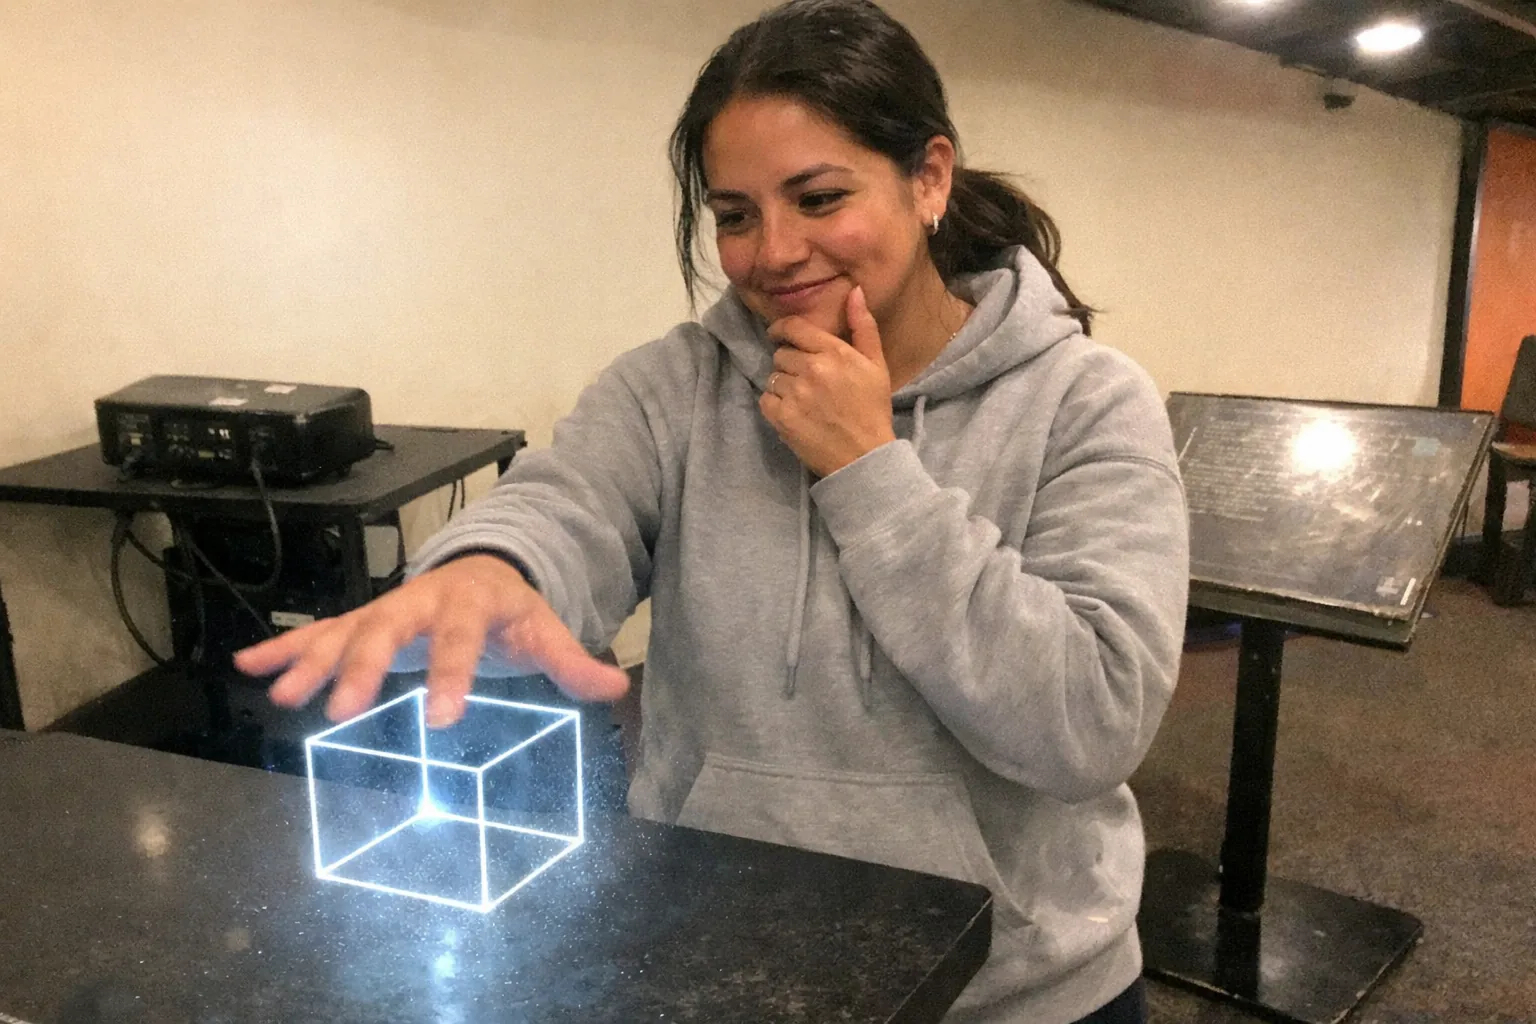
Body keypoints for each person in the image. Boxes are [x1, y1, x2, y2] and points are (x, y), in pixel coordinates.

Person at [235, 1, 1189, 1021]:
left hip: (1011, 991)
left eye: (819, 198)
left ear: (930, 179)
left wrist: (871, 469)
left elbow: (1092, 723)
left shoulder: (1085, 401)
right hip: (721, 957)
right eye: (735, 215)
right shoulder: (676, 388)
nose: (773, 252)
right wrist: (492, 568)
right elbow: (568, 500)